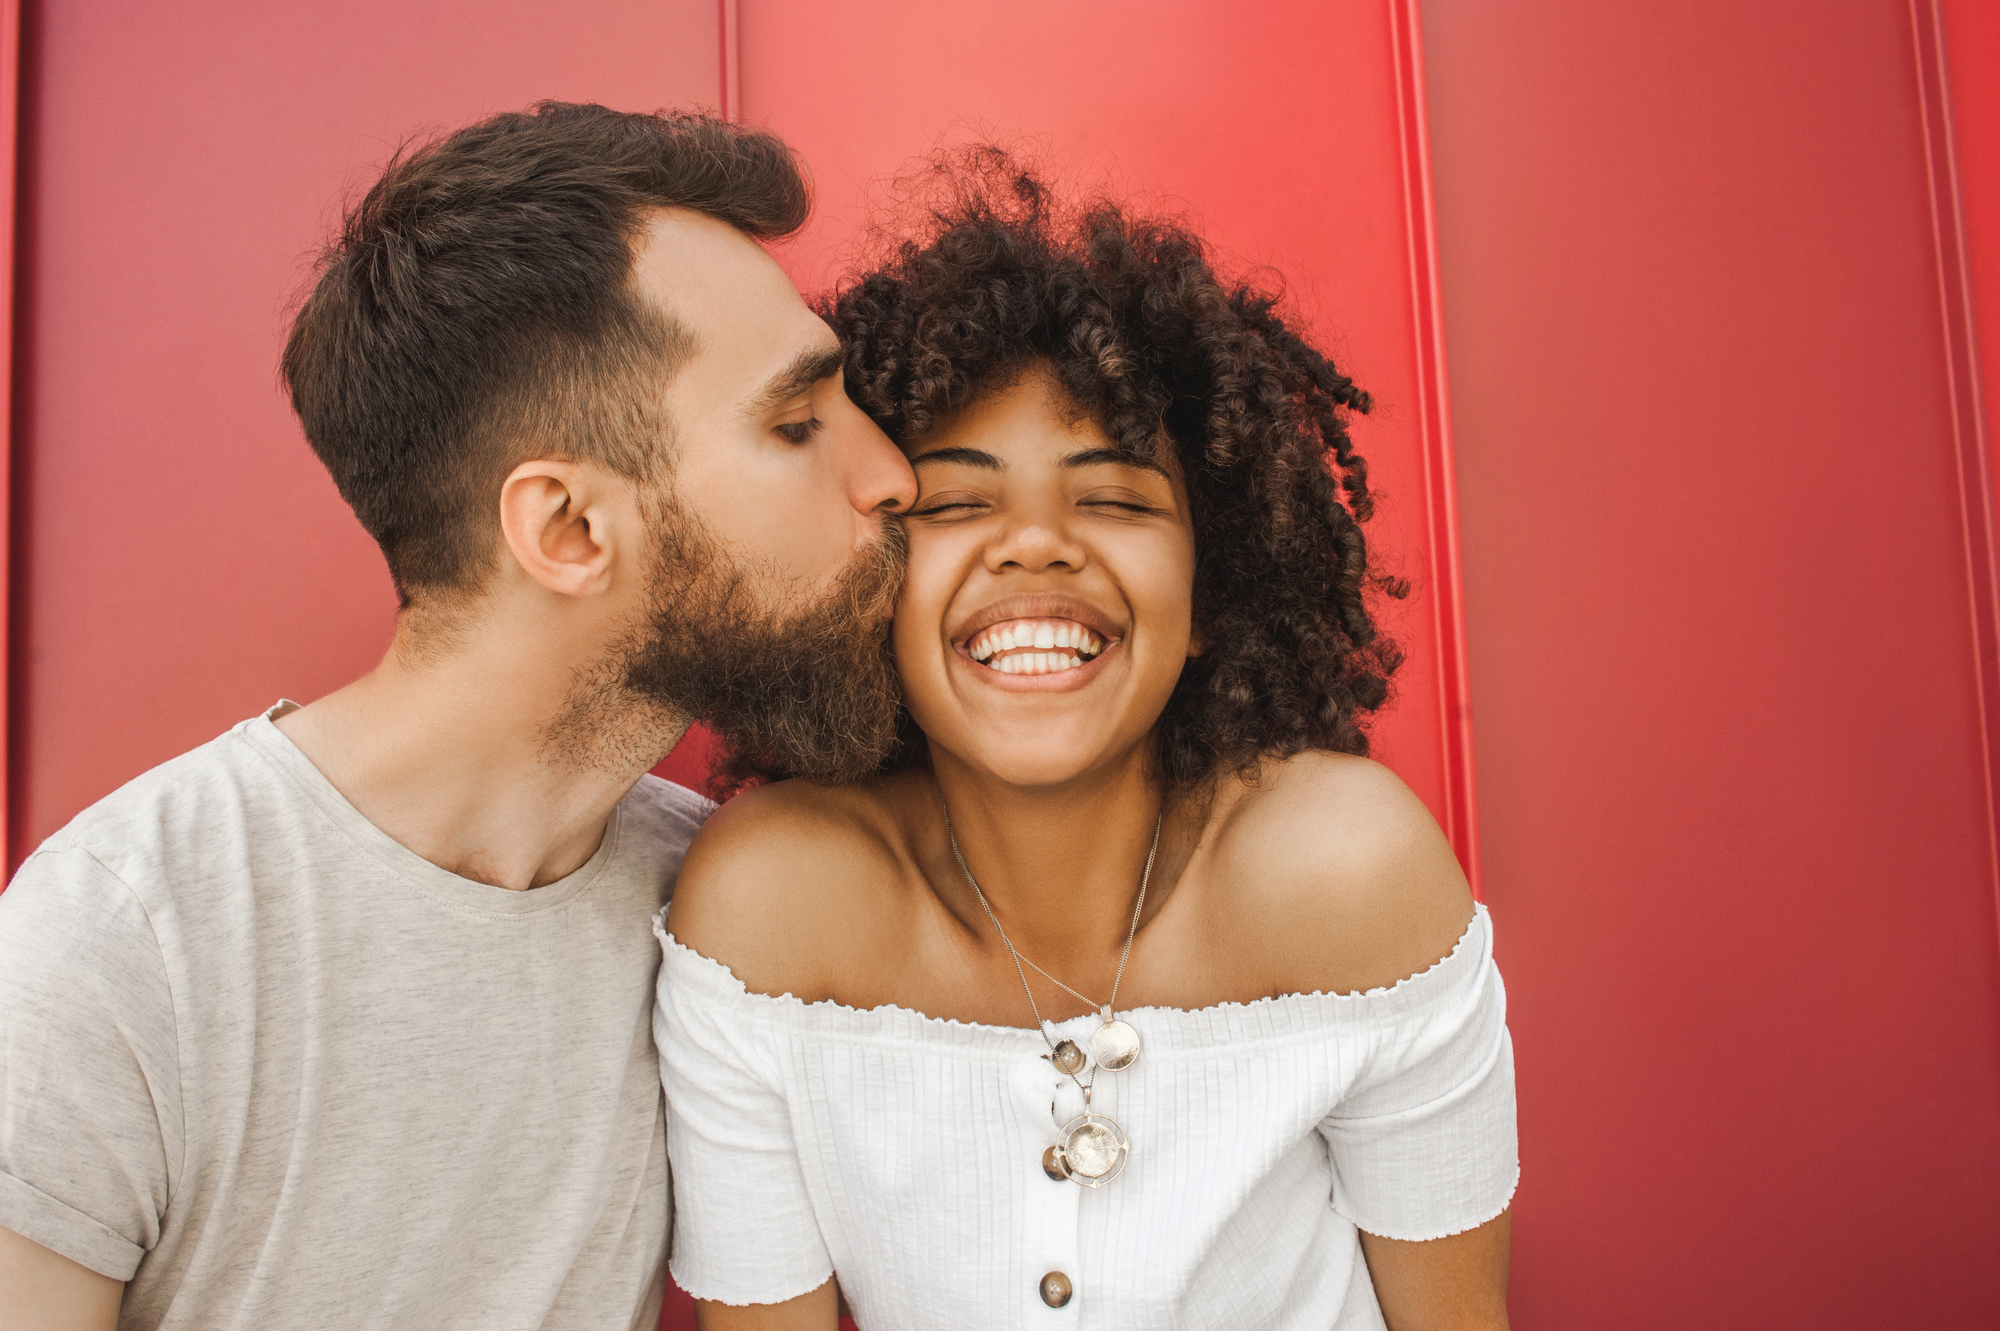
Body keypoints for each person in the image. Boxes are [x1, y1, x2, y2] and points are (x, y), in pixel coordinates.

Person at [0, 103, 916, 1329]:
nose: (891, 476)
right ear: (568, 530)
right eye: (795, 425)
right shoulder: (124, 937)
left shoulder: (724, 911)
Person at [658, 160, 1517, 1330]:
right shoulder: (768, 909)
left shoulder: (1346, 872)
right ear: (872, 583)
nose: (1034, 546)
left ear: (1212, 587)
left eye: (1111, 498)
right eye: (955, 504)